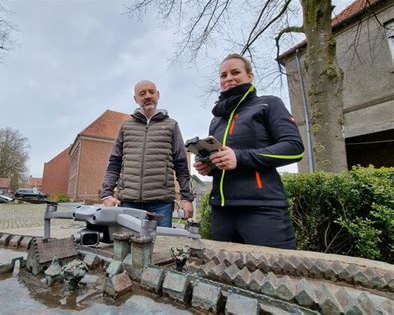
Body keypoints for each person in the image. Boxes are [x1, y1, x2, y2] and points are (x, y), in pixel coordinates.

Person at [194, 54, 304, 249]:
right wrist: (208, 166)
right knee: (222, 273)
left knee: (273, 272)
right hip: (222, 210)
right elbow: (223, 159)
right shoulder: (216, 120)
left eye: (235, 72)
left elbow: (294, 148)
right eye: (223, 75)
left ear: (250, 75)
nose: (228, 78)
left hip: (262, 209)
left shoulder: (269, 104)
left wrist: (240, 157)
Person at [100, 80, 194, 227]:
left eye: (151, 92)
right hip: (129, 203)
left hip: (161, 204)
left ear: (158, 95)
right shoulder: (126, 127)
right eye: (142, 93)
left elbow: (181, 164)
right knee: (126, 246)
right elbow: (114, 163)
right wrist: (106, 193)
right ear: (136, 99)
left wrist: (187, 199)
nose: (148, 96)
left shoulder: (171, 125)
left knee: (161, 247)